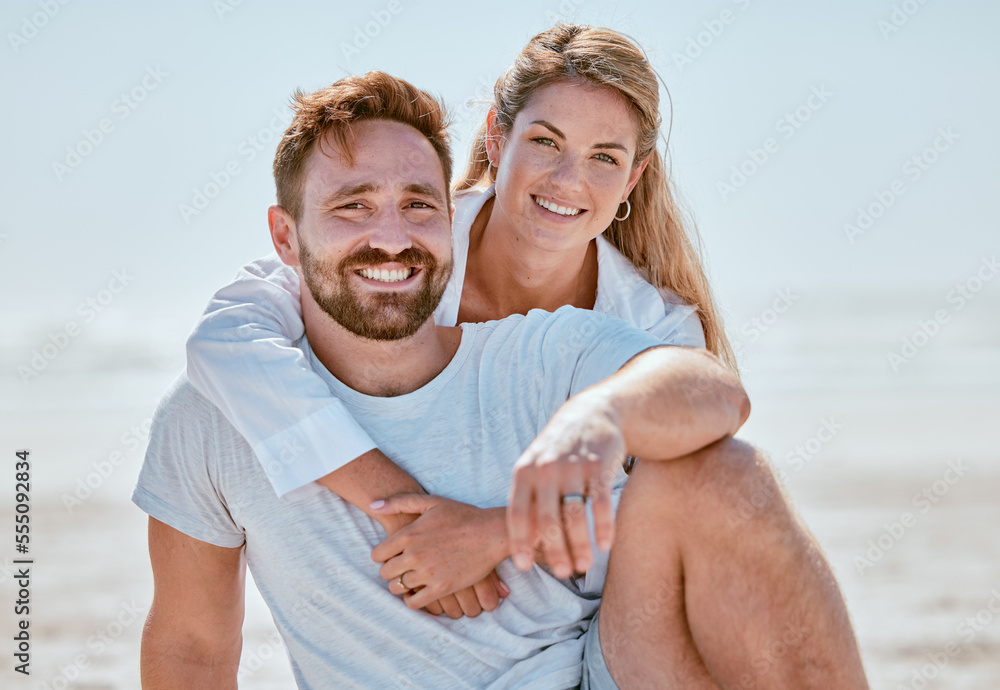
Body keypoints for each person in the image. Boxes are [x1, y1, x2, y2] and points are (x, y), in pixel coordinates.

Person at [135, 70, 749, 688]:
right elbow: (224, 341)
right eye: (545, 141)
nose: (567, 180)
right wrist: (397, 506)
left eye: (604, 156)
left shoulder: (627, 334)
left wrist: (503, 529)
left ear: (630, 181)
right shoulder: (405, 246)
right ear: (496, 142)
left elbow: (689, 489)